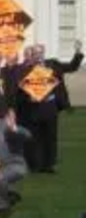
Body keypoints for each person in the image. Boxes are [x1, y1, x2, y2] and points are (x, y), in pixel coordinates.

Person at [21, 41, 84, 173]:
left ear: (43, 53)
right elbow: (21, 88)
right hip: (34, 107)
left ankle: (49, 165)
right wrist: (29, 96)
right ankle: (37, 164)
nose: (38, 55)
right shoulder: (27, 68)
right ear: (32, 54)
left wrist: (77, 52)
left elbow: (72, 67)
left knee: (50, 136)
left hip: (50, 106)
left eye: (40, 52)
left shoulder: (53, 64)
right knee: (36, 137)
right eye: (35, 53)